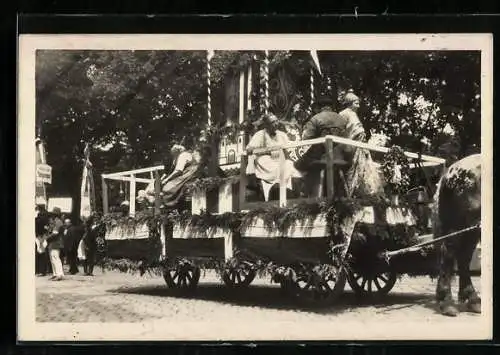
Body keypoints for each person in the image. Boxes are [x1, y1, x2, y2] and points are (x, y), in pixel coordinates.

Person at [293, 96, 350, 197]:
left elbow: (306, 138)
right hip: (340, 157)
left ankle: (309, 193)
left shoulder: (316, 118)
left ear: (320, 107)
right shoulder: (341, 119)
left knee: (298, 164)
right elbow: (347, 137)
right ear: (331, 107)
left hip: (322, 157)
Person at [246, 113, 302, 201]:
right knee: (271, 164)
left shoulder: (282, 135)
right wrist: (263, 150)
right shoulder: (260, 134)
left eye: (276, 121)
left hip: (280, 159)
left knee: (290, 165)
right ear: (267, 125)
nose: (276, 124)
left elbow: (288, 149)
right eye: (273, 122)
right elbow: (249, 148)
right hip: (266, 159)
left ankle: (283, 186)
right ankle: (276, 186)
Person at [161, 144, 202, 208]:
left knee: (168, 187)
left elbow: (178, 171)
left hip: (190, 173)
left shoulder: (183, 155)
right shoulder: (181, 156)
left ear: (177, 151)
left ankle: (170, 205)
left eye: (173, 153)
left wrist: (167, 179)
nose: (172, 155)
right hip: (189, 173)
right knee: (170, 184)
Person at [46, 207, 64, 281]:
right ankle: (55, 274)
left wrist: (46, 238)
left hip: (56, 242)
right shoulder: (55, 222)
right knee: (52, 259)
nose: (52, 215)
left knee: (56, 258)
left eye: (53, 214)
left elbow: (55, 233)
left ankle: (59, 274)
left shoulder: (58, 222)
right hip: (52, 242)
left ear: (56, 215)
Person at [35, 205, 51, 276]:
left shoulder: (38, 218)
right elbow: (47, 228)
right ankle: (45, 270)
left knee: (39, 253)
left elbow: (38, 227)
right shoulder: (47, 218)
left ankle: (39, 270)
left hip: (39, 237)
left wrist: (39, 236)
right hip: (44, 236)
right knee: (44, 253)